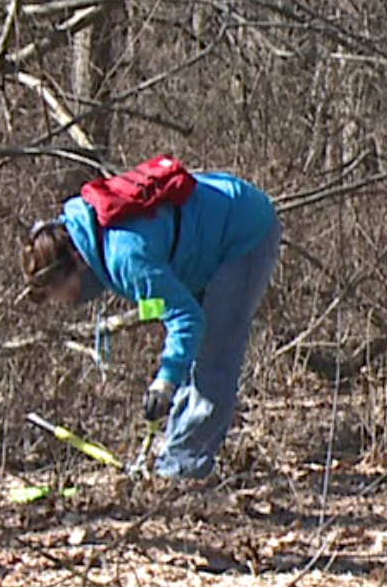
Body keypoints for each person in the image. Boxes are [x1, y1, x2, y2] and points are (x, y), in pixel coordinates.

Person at [20, 169, 280, 480]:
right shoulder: (84, 234)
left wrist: (165, 381)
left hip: (243, 231)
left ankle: (182, 473)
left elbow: (186, 318)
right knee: (190, 350)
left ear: (74, 264)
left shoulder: (125, 259)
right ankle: (176, 456)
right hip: (203, 241)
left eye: (59, 293)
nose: (62, 301)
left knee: (215, 353)